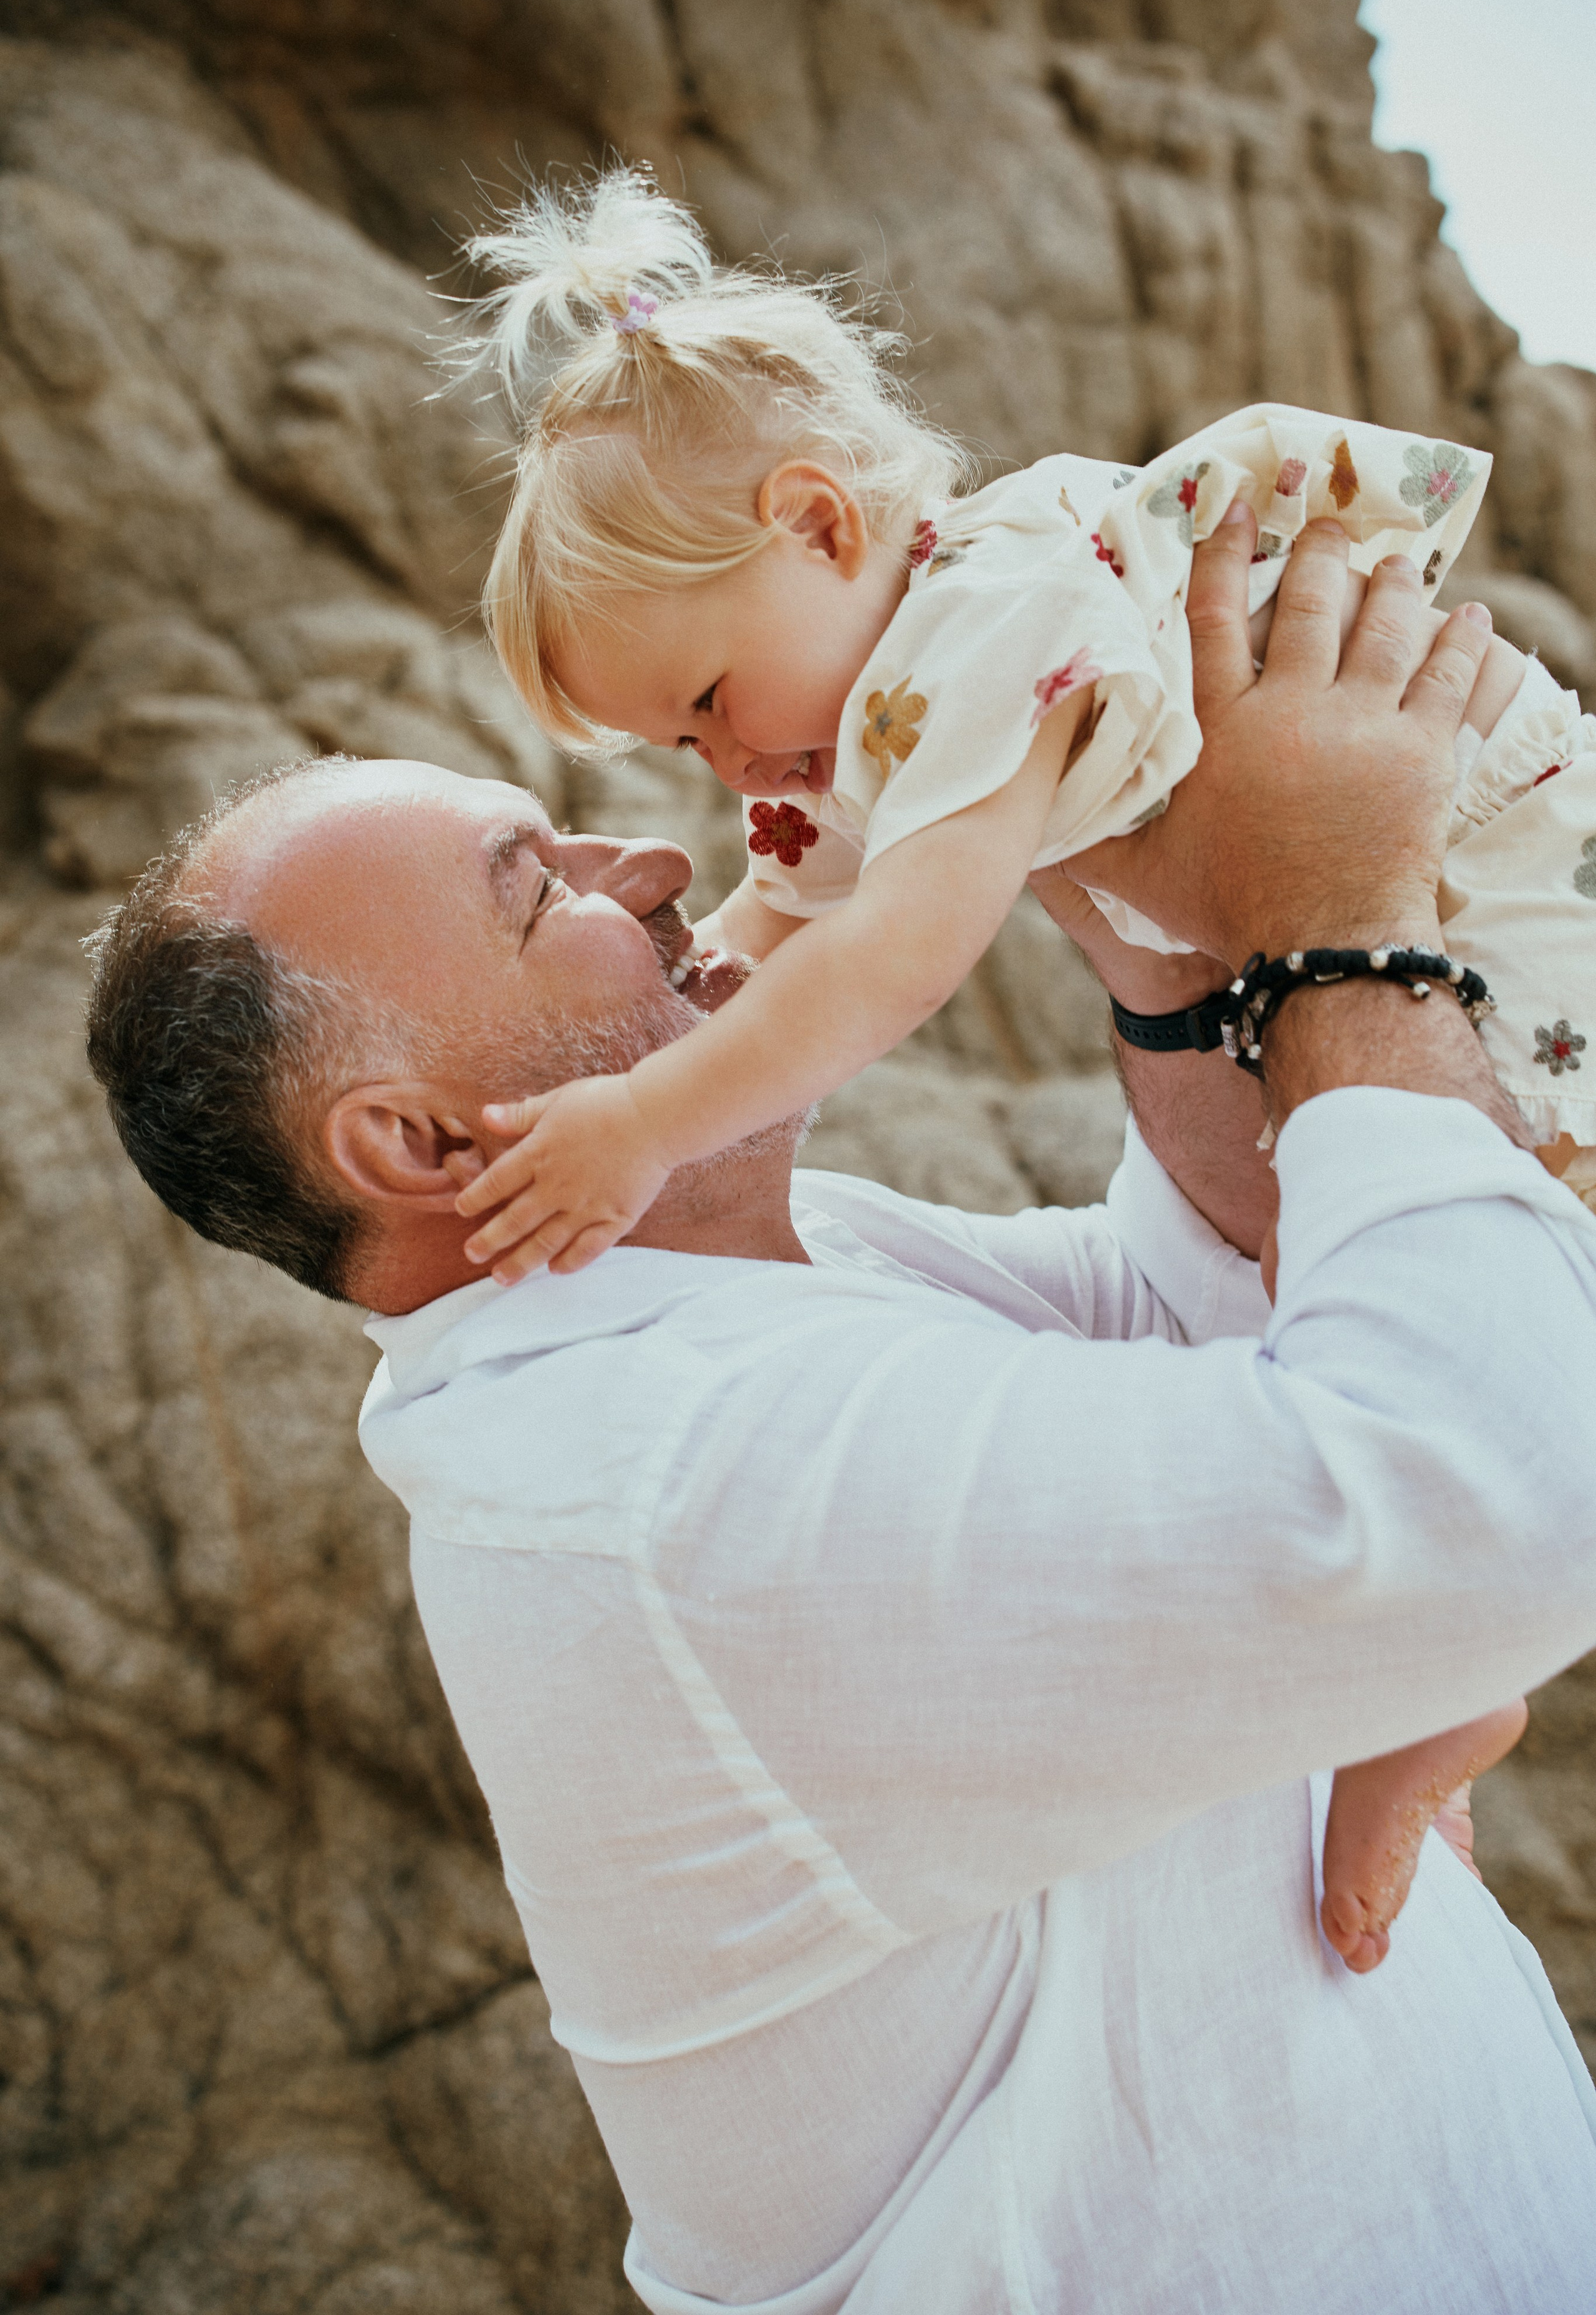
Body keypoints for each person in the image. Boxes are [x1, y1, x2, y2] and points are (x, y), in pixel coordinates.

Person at [84, 516, 1596, 2313]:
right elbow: (1500, 1493)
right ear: (414, 1148)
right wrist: (1347, 925)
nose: (653, 856)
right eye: (536, 888)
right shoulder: (668, 1482)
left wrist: (1166, 927)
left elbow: (1222, 1304)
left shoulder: (719, 1314)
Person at [454, 170, 1587, 1973]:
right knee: (1366, 1246)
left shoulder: (985, 615)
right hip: (1392, 901)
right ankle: (1435, 1671)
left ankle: (1451, 1672)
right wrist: (711, 976)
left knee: (1486, 1239)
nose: (718, 753)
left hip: (1501, 877)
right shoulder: (866, 713)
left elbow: (903, 945)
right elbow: (785, 907)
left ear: (820, 523)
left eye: (705, 697)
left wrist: (653, 1117)